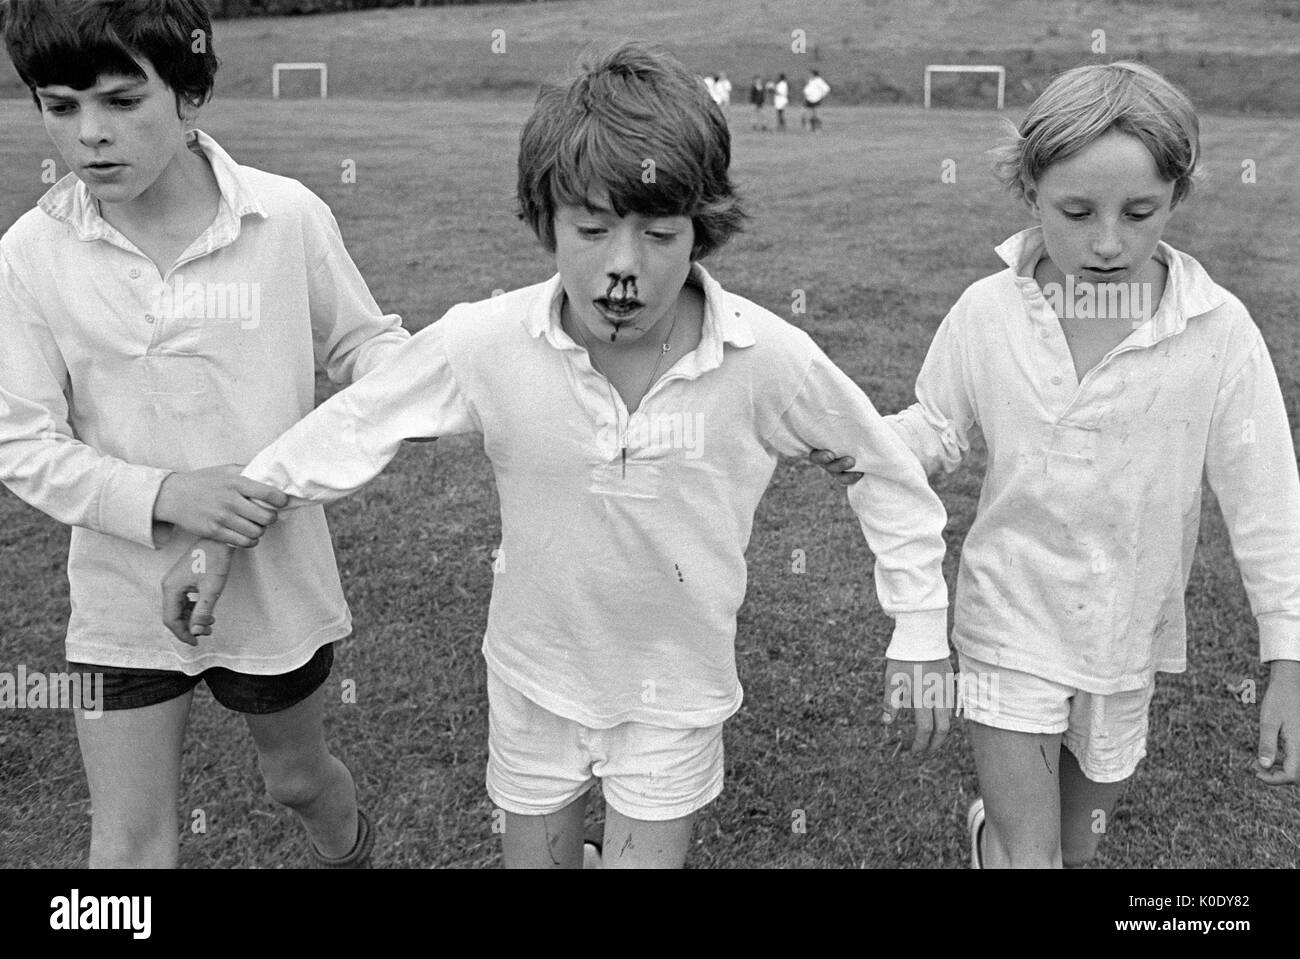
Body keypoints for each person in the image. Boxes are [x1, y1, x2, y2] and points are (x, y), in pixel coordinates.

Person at [163, 41, 955, 870]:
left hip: (675, 694)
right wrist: (226, 531)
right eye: (591, 228)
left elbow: (883, 468)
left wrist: (920, 627)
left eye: (658, 233)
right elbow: (353, 424)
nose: (623, 266)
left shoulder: (768, 359)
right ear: (546, 220)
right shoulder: (487, 339)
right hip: (532, 679)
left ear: (702, 230)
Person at [812, 61, 1300, 867]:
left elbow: (1267, 500)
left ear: (1177, 196)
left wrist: (1287, 658)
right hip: (1009, 616)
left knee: (1070, 851)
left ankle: (988, 834)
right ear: (1030, 190)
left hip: (1127, 634)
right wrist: (869, 442)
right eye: (1077, 212)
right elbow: (937, 428)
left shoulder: (1218, 331)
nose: (1108, 243)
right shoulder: (988, 311)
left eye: (1139, 212)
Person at [0, 0, 411, 868]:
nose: (88, 137)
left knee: (296, 781)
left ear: (191, 94)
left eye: (120, 101)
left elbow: (364, 345)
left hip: (273, 587)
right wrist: (167, 494)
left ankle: (353, 851)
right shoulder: (30, 253)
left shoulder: (286, 216)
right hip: (120, 592)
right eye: (60, 105)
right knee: (128, 842)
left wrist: (399, 389)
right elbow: (21, 442)